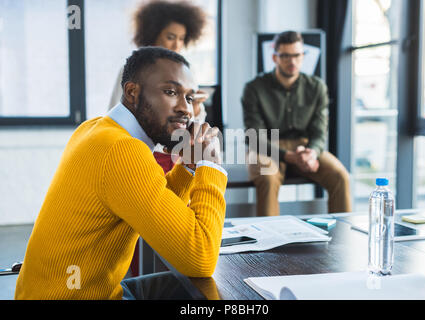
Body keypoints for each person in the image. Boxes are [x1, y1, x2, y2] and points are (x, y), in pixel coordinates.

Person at [15, 47, 227, 300]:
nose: (186, 110)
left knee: (195, 289)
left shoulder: (95, 128)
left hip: (67, 292)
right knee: (212, 294)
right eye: (171, 92)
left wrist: (190, 167)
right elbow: (200, 258)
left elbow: (158, 207)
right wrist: (211, 166)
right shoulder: (123, 149)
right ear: (132, 92)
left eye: (190, 98)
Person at [241, 31, 351, 217]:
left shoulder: (316, 87)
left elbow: (319, 130)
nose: (292, 61)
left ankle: (343, 236)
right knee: (268, 178)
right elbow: (254, 137)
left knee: (340, 175)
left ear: (303, 56)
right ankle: (269, 242)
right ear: (275, 57)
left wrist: (312, 153)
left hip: (304, 146)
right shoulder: (254, 88)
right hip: (266, 147)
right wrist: (289, 156)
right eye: (285, 56)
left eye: (297, 55)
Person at [109, 0, 209, 173]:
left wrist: (196, 108)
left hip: (174, 154)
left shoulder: (186, 73)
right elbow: (115, 113)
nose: (176, 44)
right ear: (154, 34)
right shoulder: (133, 70)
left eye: (181, 39)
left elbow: (192, 121)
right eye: (170, 37)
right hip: (142, 155)